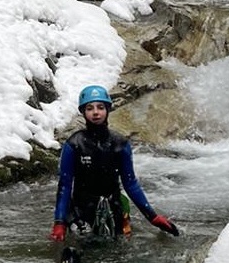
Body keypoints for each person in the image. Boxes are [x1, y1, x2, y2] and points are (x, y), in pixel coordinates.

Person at [50, 85, 180, 242]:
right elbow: (65, 185)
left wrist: (152, 216)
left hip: (114, 208)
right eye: (90, 108)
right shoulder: (74, 144)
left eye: (100, 107)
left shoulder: (120, 144)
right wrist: (59, 222)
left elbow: (130, 183)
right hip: (81, 211)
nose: (96, 112)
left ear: (108, 110)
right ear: (83, 112)